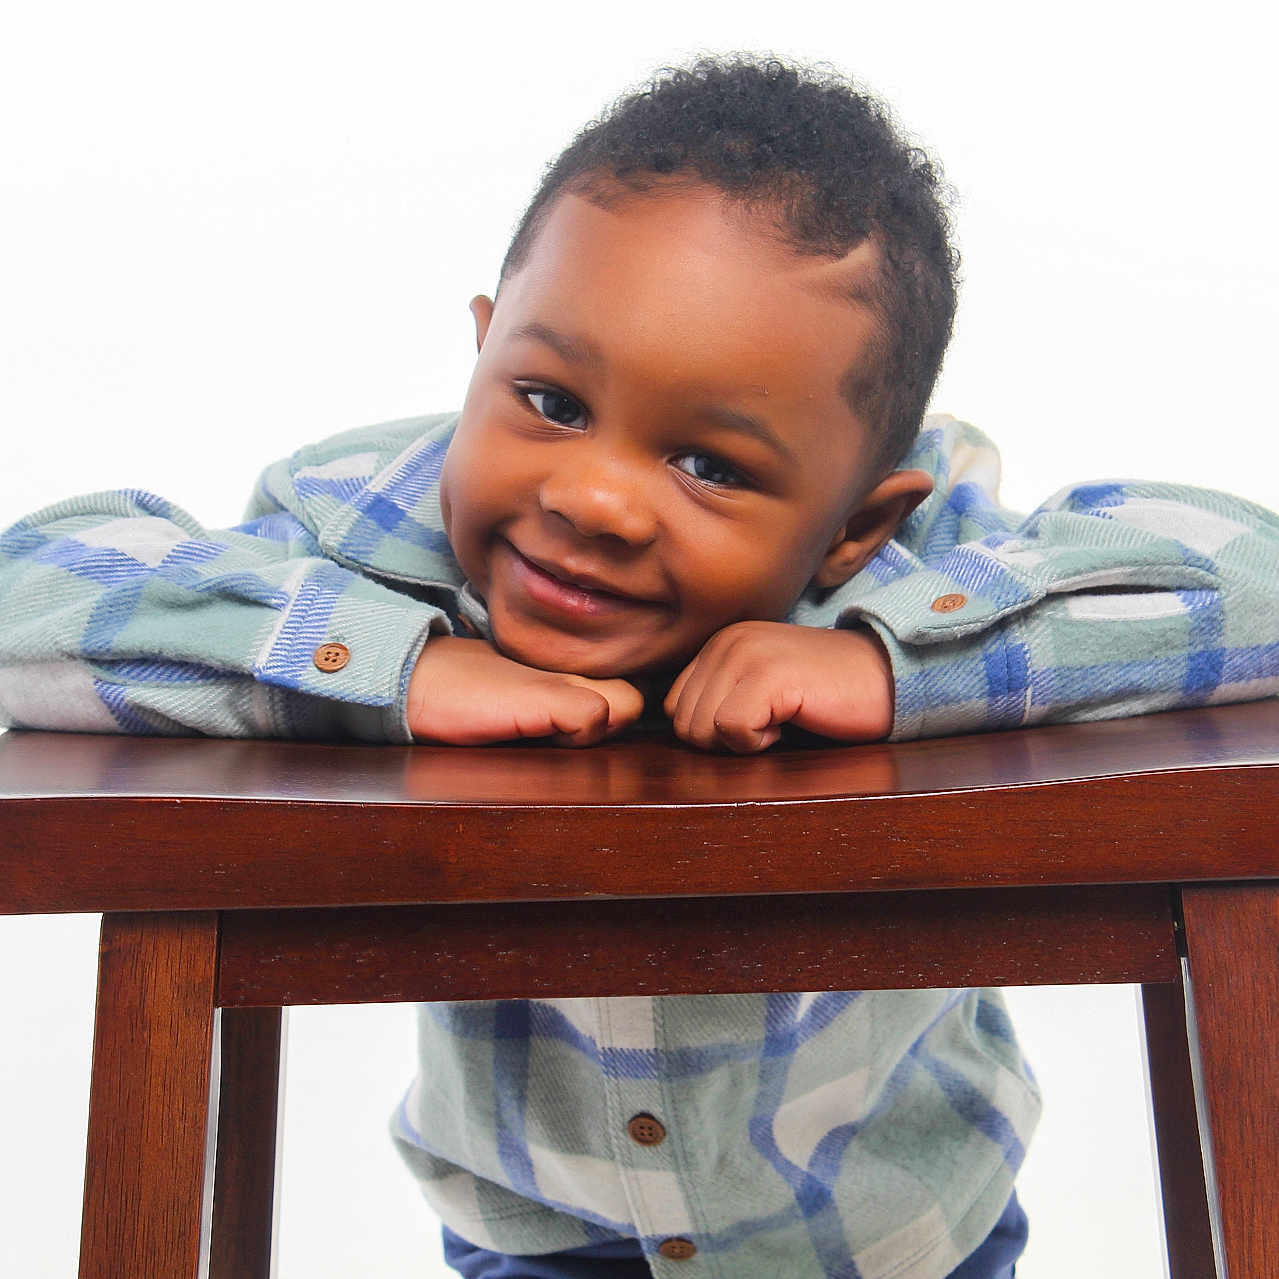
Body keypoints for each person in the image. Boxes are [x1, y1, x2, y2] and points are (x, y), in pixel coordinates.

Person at [2, 55, 1277, 1279]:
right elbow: (35, 591)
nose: (597, 499)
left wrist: (898, 662)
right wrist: (394, 663)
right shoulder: (366, 526)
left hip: (890, 1240)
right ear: (485, 349)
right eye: (549, 400)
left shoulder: (906, 563)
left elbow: (1247, 577)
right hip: (537, 1238)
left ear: (853, 522)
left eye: (711, 466)